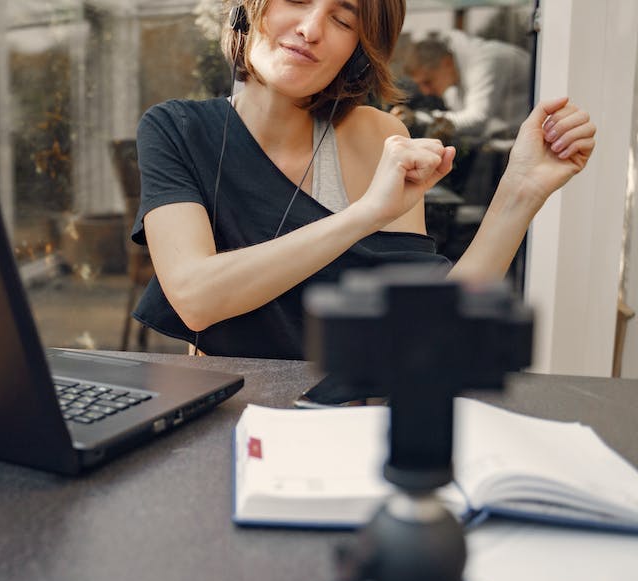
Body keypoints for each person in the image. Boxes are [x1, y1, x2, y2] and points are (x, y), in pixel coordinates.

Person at [130, 0, 595, 360]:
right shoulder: (175, 129)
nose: (311, 29)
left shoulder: (380, 136)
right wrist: (365, 215)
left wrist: (521, 189)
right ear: (248, 8)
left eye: (342, 19)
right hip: (228, 414)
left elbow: (429, 324)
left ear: (359, 49)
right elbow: (195, 297)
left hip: (351, 421)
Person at [397, 30, 532, 138]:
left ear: (447, 63)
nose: (425, 91)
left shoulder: (486, 61)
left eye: (428, 82)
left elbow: (476, 120)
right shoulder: (456, 72)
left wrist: (418, 119)